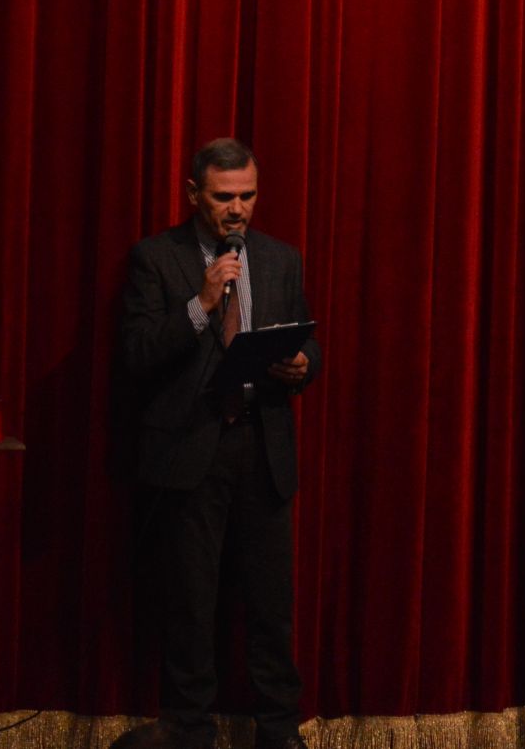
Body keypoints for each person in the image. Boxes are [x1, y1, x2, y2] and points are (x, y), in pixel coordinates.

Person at [120, 138, 321, 749]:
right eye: (223, 197)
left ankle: (279, 731)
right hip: (191, 451)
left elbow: (308, 342)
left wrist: (303, 365)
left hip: (261, 446)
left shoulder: (281, 259)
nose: (237, 209)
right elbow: (137, 354)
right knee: (191, 601)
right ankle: (189, 729)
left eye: (247, 196)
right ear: (194, 195)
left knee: (270, 603)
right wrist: (202, 303)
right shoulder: (156, 258)